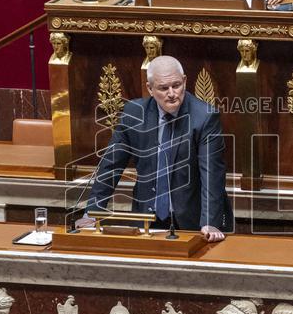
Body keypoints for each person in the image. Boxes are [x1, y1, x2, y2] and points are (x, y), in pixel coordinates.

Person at [78, 55, 232, 241]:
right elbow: (111, 166)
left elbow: (212, 174)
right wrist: (93, 212)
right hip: (146, 220)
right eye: (163, 88)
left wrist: (209, 222)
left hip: (192, 222)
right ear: (150, 88)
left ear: (184, 81)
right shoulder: (134, 113)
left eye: (176, 85)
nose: (172, 93)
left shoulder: (205, 117)